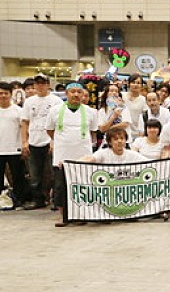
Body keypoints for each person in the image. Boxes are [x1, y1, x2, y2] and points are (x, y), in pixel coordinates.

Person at [45, 83, 99, 227]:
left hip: (83, 156)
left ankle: (81, 215)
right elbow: (50, 130)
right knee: (60, 187)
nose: (76, 95)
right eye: (72, 92)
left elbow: (93, 132)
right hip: (62, 155)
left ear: (83, 95)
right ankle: (64, 216)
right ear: (66, 94)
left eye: (79, 92)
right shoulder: (55, 111)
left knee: (83, 185)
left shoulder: (91, 112)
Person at [20, 74, 63, 209]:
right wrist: (25, 142)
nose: (40, 86)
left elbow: (59, 123)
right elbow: (25, 122)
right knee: (34, 174)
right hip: (34, 140)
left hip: (49, 141)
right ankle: (38, 200)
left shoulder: (56, 101)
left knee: (53, 173)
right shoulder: (29, 102)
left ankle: (56, 200)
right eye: (37, 83)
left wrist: (54, 141)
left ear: (48, 84)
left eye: (43, 83)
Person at [0, 82, 31, 209]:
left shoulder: (19, 111)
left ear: (11, 94)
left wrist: (25, 144)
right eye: (0, 93)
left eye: (5, 93)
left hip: (15, 149)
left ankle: (19, 200)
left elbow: (25, 129)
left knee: (18, 176)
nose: (2, 96)